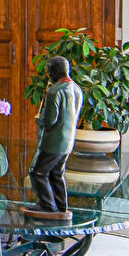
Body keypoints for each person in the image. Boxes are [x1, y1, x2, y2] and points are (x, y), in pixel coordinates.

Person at [28, 56, 83, 214]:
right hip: (68, 141)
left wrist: (40, 120)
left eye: (49, 71)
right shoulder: (77, 89)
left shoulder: (54, 91)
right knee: (57, 173)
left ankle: (47, 206)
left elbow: (50, 120)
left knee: (37, 172)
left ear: (54, 71)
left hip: (53, 142)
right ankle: (61, 207)